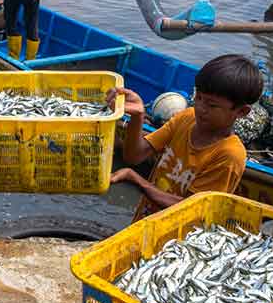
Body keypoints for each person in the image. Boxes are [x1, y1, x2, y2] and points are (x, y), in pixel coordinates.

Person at [108, 54, 263, 221]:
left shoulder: (229, 155)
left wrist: (136, 180)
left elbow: (192, 209)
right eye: (199, 98)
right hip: (146, 219)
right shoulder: (187, 118)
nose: (200, 108)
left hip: (179, 239)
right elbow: (134, 155)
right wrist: (138, 116)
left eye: (212, 105)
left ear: (241, 112)